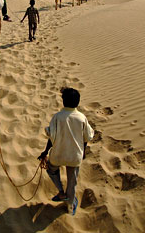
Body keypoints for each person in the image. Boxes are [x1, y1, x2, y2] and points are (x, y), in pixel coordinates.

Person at [38, 87, 94, 215]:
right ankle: (70, 205)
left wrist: (45, 152)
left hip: (58, 155)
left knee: (51, 170)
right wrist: (83, 151)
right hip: (75, 156)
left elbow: (51, 138)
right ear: (78, 102)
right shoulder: (81, 118)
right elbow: (87, 137)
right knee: (72, 182)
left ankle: (61, 192)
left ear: (63, 102)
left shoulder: (57, 117)